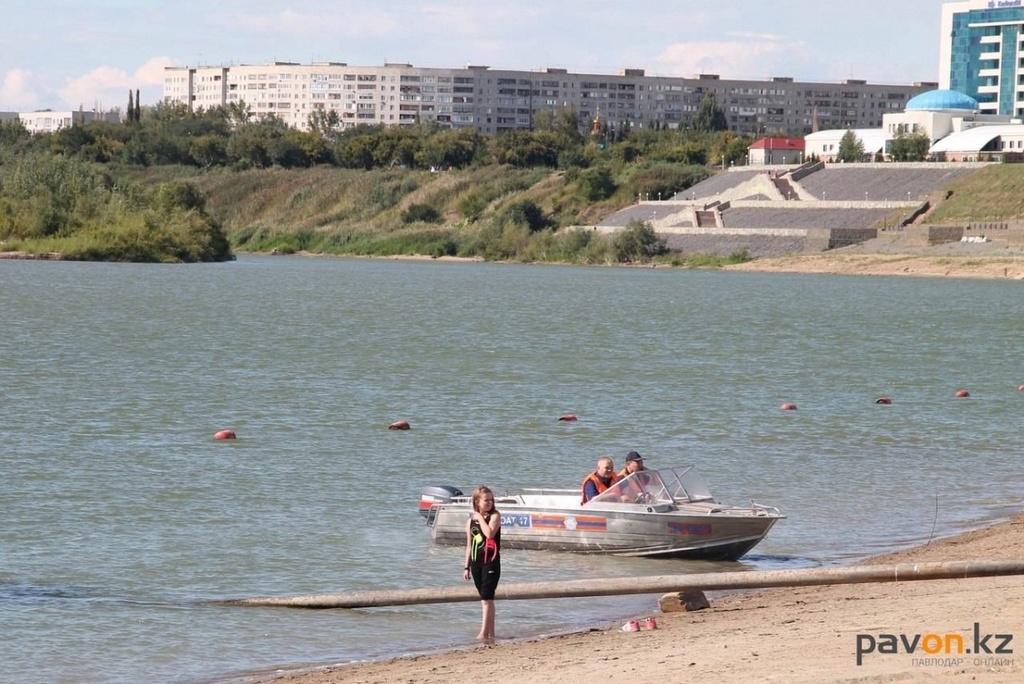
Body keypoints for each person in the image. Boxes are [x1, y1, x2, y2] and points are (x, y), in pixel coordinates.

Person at [463, 485, 501, 641]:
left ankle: (483, 634)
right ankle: (491, 633)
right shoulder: (470, 522)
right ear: (477, 502)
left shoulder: (495, 516)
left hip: (491, 562)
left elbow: (489, 534)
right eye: (486, 500)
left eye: (491, 500)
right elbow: (469, 545)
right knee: (485, 599)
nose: (490, 503)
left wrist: (479, 518)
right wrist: (466, 567)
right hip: (476, 564)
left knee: (487, 599)